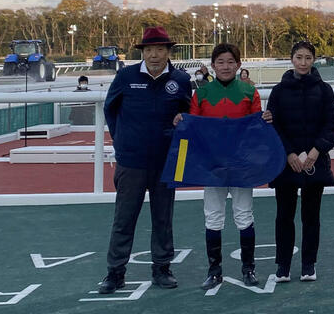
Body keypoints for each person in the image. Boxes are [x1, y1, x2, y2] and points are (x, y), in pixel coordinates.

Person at [97, 26, 191, 293]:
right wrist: (122, 140)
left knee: (163, 218)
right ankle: (115, 272)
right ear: (143, 52)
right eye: (149, 49)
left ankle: (162, 268)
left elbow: (187, 117)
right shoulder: (125, 76)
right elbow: (110, 109)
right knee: (124, 218)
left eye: (160, 49)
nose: (154, 55)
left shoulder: (181, 80)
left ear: (168, 52)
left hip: (166, 162)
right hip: (132, 161)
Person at [173, 43, 268, 289]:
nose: (225, 66)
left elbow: (256, 129)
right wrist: (181, 121)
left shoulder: (250, 92)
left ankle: (249, 269)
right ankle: (214, 271)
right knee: (213, 218)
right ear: (212, 66)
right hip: (212, 165)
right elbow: (193, 127)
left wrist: (266, 119)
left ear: (238, 65)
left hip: (240, 165)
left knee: (244, 215)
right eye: (220, 62)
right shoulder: (201, 93)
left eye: (230, 62)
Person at [267, 41, 334, 282]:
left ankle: (309, 264)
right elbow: (274, 126)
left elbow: (331, 124)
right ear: (292, 59)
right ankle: (283, 265)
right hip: (286, 164)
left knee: (311, 217)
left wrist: (316, 151)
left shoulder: (325, 90)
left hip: (314, 162)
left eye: (308, 58)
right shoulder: (278, 91)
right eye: (299, 57)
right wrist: (288, 154)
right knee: (284, 217)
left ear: (313, 60)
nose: (303, 62)